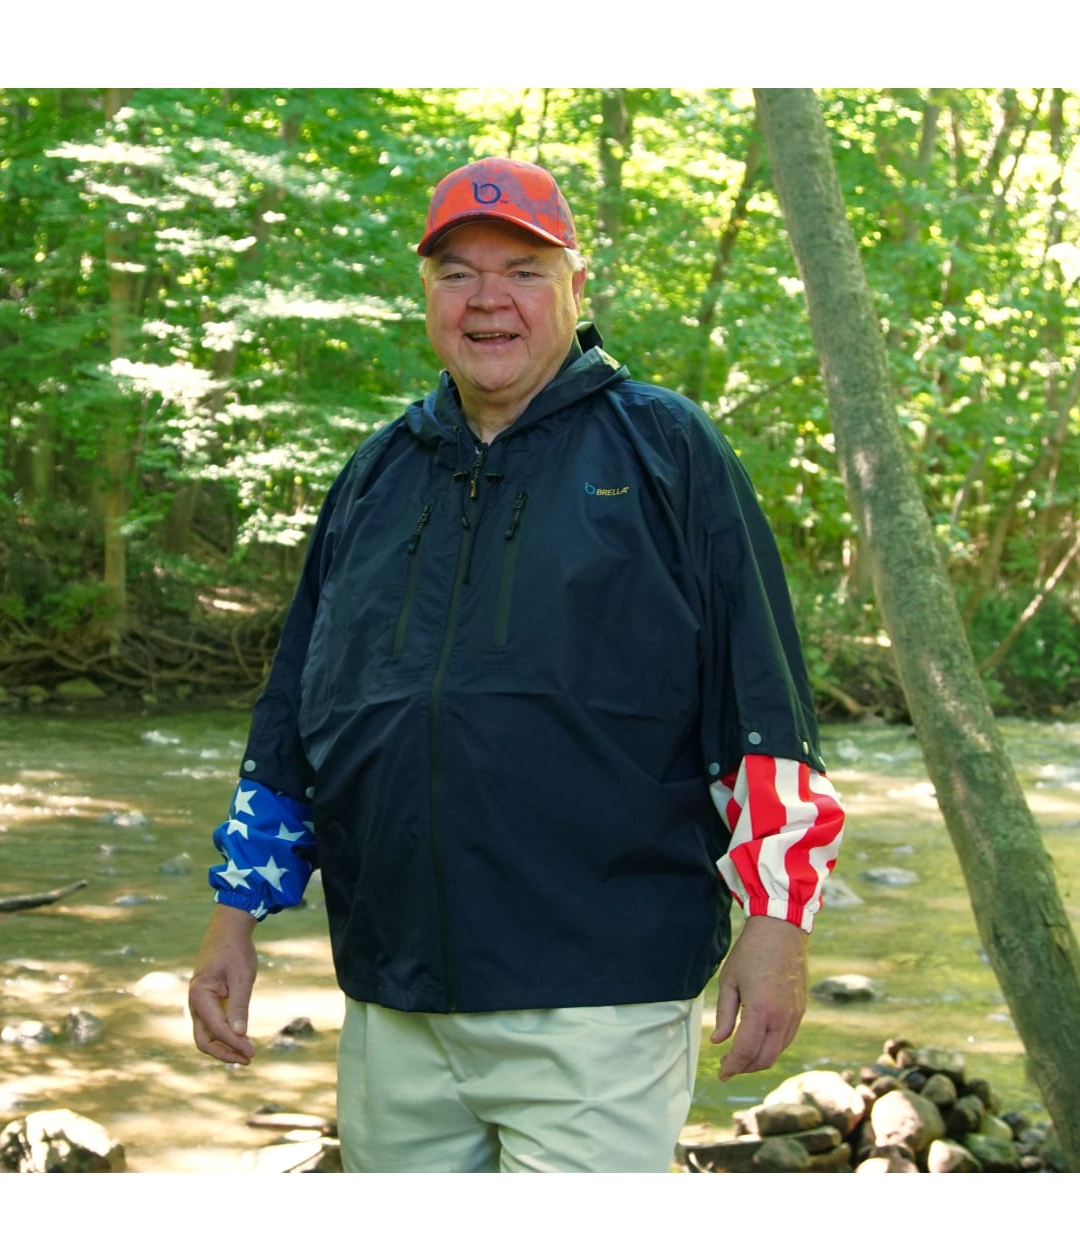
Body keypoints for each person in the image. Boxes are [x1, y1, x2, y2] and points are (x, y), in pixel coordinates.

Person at [188, 156, 845, 1173]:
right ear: (426, 297)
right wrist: (236, 912)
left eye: (524, 270)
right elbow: (295, 714)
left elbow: (760, 701)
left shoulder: (668, 449)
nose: (489, 299)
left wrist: (778, 923)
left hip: (599, 1001)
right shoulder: (375, 474)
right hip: (395, 998)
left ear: (577, 287)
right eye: (457, 272)